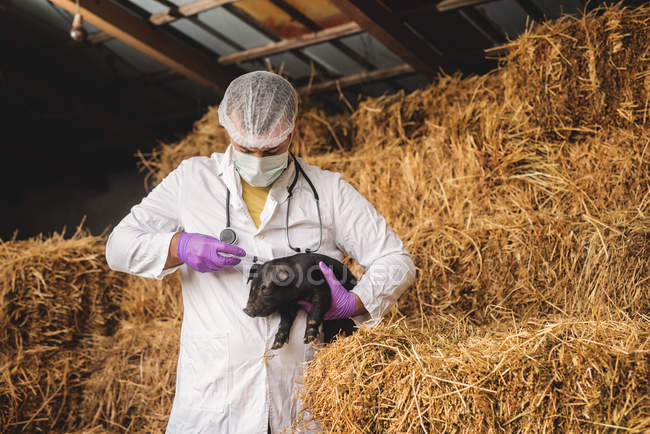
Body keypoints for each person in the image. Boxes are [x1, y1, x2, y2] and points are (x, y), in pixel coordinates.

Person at [105, 71, 416, 433]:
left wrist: (356, 302)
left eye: (269, 150)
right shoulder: (192, 180)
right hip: (214, 402)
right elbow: (118, 246)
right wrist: (179, 246)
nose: (257, 159)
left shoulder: (328, 191)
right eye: (245, 149)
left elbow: (396, 259)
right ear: (229, 133)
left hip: (302, 400)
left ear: (292, 130)